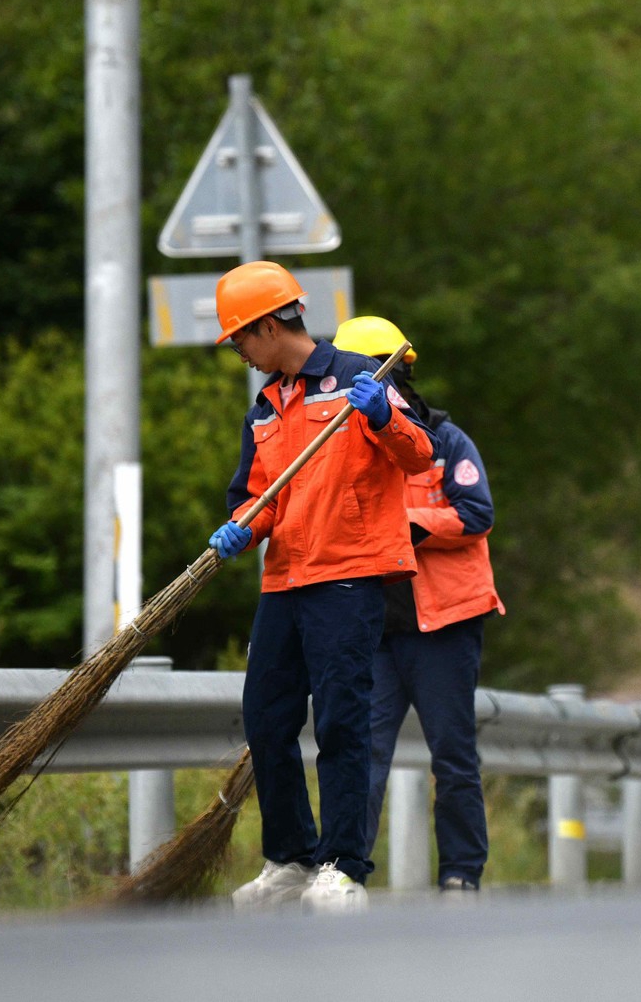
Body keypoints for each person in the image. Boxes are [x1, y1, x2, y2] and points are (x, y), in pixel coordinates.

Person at [206, 264, 434, 913]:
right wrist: (242, 529)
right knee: (266, 719)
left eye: (240, 339)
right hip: (285, 580)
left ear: (268, 326)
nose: (240, 352)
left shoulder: (361, 377)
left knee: (340, 720)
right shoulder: (265, 407)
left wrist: (384, 417)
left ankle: (342, 868)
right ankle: (290, 859)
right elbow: (257, 499)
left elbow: (419, 454)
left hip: (349, 577)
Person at [333, 317, 505, 893]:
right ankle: (344, 874)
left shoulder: (446, 442)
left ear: (397, 372)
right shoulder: (343, 443)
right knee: (361, 755)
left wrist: (405, 524)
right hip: (375, 632)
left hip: (444, 628)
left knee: (452, 757)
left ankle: (460, 874)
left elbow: (476, 514)